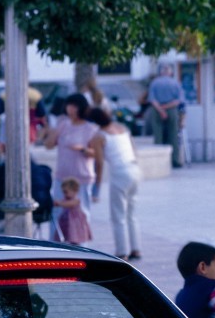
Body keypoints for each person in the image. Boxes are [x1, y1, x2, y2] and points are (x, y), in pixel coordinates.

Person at [88, 106, 143, 260]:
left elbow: (99, 163)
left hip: (120, 173)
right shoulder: (122, 128)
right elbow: (134, 150)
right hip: (134, 169)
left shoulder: (99, 136)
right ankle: (136, 248)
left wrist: (96, 189)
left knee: (118, 214)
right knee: (131, 213)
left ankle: (122, 251)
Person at [43, 93, 97, 240]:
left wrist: (83, 149)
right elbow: (48, 145)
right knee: (58, 210)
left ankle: (80, 245)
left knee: (81, 212)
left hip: (82, 178)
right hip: (62, 176)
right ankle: (56, 245)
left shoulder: (90, 129)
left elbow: (97, 153)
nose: (70, 109)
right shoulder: (63, 124)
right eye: (68, 105)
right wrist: (55, 129)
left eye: (74, 106)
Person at [147, 63, 184, 168]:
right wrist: (166, 108)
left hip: (156, 110)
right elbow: (178, 100)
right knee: (173, 136)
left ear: (161, 72)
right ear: (170, 72)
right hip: (171, 110)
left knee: (158, 136)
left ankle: (159, 162)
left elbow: (152, 99)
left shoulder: (154, 83)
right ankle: (175, 161)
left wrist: (160, 109)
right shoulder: (175, 83)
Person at [54, 177, 92, 246]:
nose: (64, 194)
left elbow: (69, 204)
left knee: (74, 238)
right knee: (66, 237)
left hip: (74, 224)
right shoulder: (65, 199)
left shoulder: (76, 200)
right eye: (63, 192)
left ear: (74, 190)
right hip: (66, 222)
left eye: (66, 192)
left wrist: (59, 203)